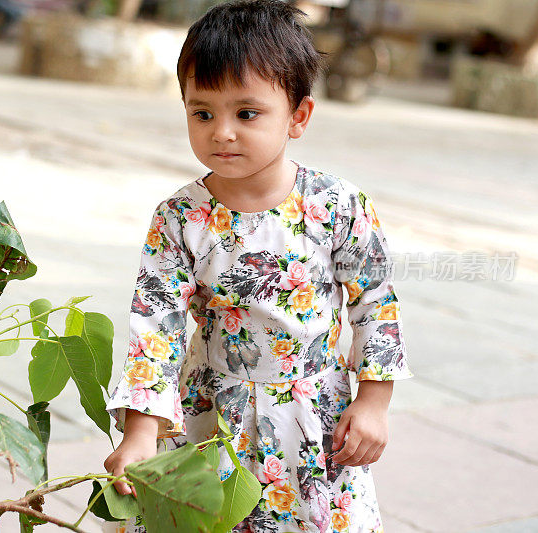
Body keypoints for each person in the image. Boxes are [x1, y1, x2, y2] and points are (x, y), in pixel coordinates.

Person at [103, 1, 413, 532]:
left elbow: (374, 302)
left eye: (246, 113)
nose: (222, 132)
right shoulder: (181, 217)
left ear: (298, 116)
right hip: (211, 408)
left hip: (312, 416)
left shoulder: (337, 206)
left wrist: (374, 402)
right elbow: (155, 326)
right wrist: (140, 431)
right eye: (202, 113)